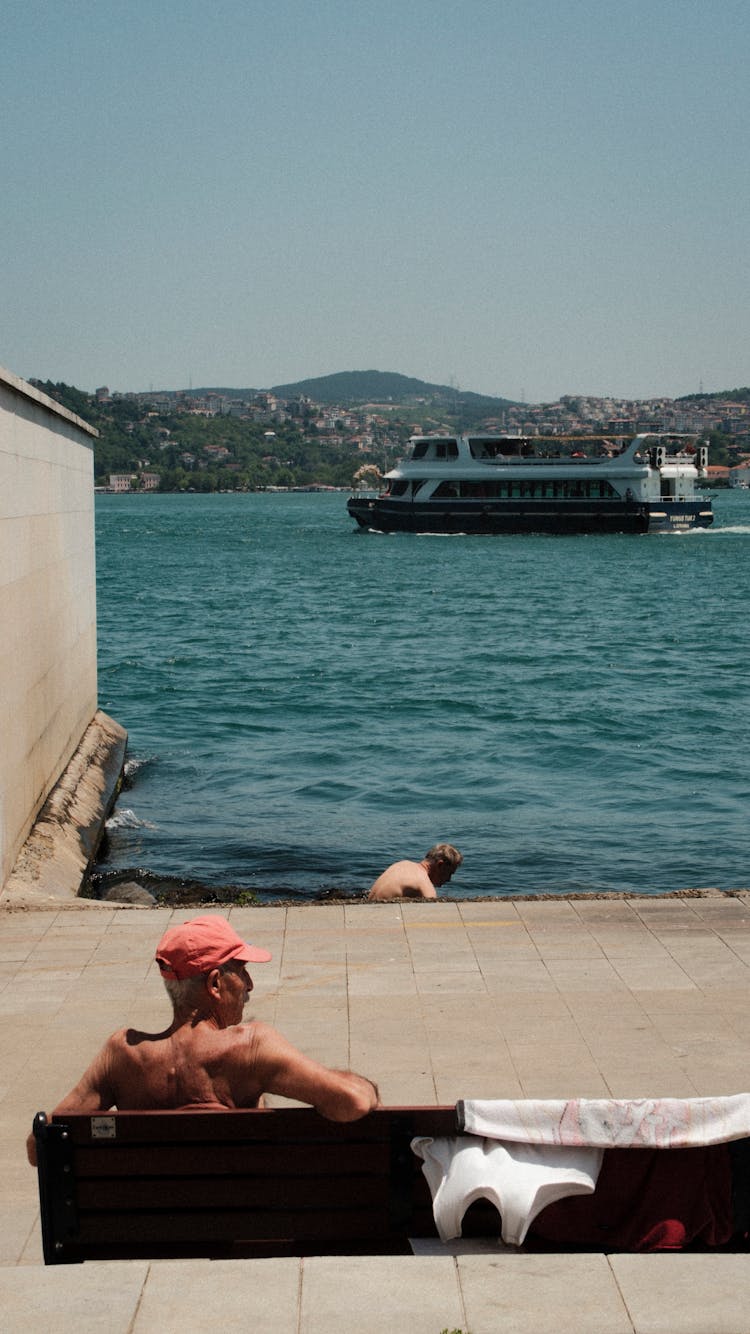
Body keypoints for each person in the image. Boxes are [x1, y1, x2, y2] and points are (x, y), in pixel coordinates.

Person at [27, 914, 379, 1165]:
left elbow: (37, 1147)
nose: (250, 984)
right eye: (240, 970)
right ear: (213, 984)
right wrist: (361, 1082)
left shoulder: (122, 1056)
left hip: (147, 1232)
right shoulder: (253, 1047)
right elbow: (353, 1103)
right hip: (247, 1230)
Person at [367, 843, 463, 902]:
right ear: (440, 865)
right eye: (449, 873)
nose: (449, 879)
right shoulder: (425, 886)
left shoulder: (403, 864)